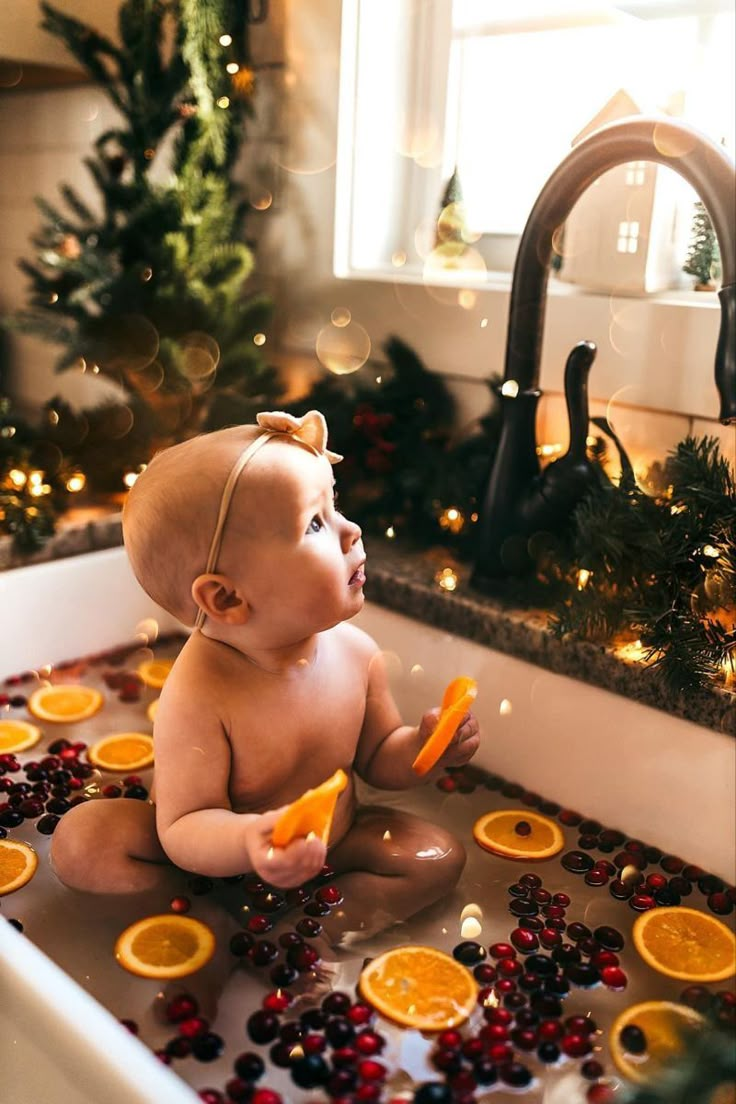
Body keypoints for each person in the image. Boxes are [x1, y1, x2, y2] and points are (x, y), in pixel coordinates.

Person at [51, 410, 480, 945]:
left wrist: (424, 746)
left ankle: (311, 936)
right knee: (83, 842)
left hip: (328, 845)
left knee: (438, 856)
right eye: (316, 523)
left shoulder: (357, 655)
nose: (352, 531)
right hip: (207, 859)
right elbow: (184, 826)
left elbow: (378, 759)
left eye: (335, 505)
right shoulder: (201, 690)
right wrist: (252, 839)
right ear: (228, 597)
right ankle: (196, 921)